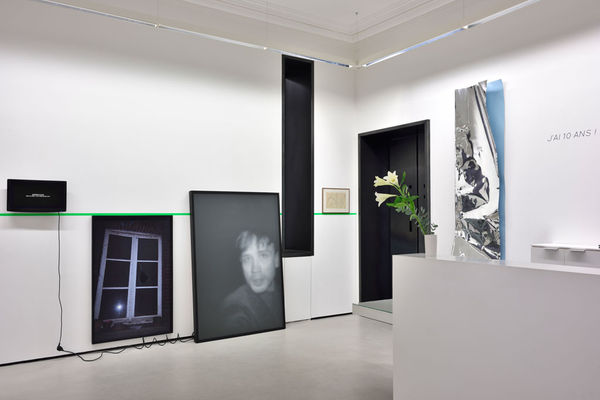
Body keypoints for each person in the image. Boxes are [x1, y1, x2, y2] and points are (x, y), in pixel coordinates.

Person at [221, 230, 283, 334]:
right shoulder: (234, 305)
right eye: (247, 259)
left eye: (263, 255)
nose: (255, 269)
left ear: (276, 260)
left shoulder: (284, 292)